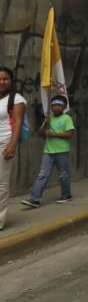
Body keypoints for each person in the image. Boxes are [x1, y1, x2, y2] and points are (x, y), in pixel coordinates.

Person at [21, 95, 73, 207]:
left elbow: (70, 134)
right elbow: (40, 134)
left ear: (64, 107)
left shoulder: (66, 118)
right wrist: (44, 124)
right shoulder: (48, 119)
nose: (56, 107)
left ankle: (66, 195)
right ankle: (34, 199)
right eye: (54, 105)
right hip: (48, 151)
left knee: (63, 175)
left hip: (62, 151)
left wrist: (53, 134)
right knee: (42, 174)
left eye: (59, 105)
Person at [0, 67, 26, 230]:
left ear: (11, 81)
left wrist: (12, 145)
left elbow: (17, 123)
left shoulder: (16, 99)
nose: (2, 82)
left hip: (4, 143)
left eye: (5, 79)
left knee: (1, 183)